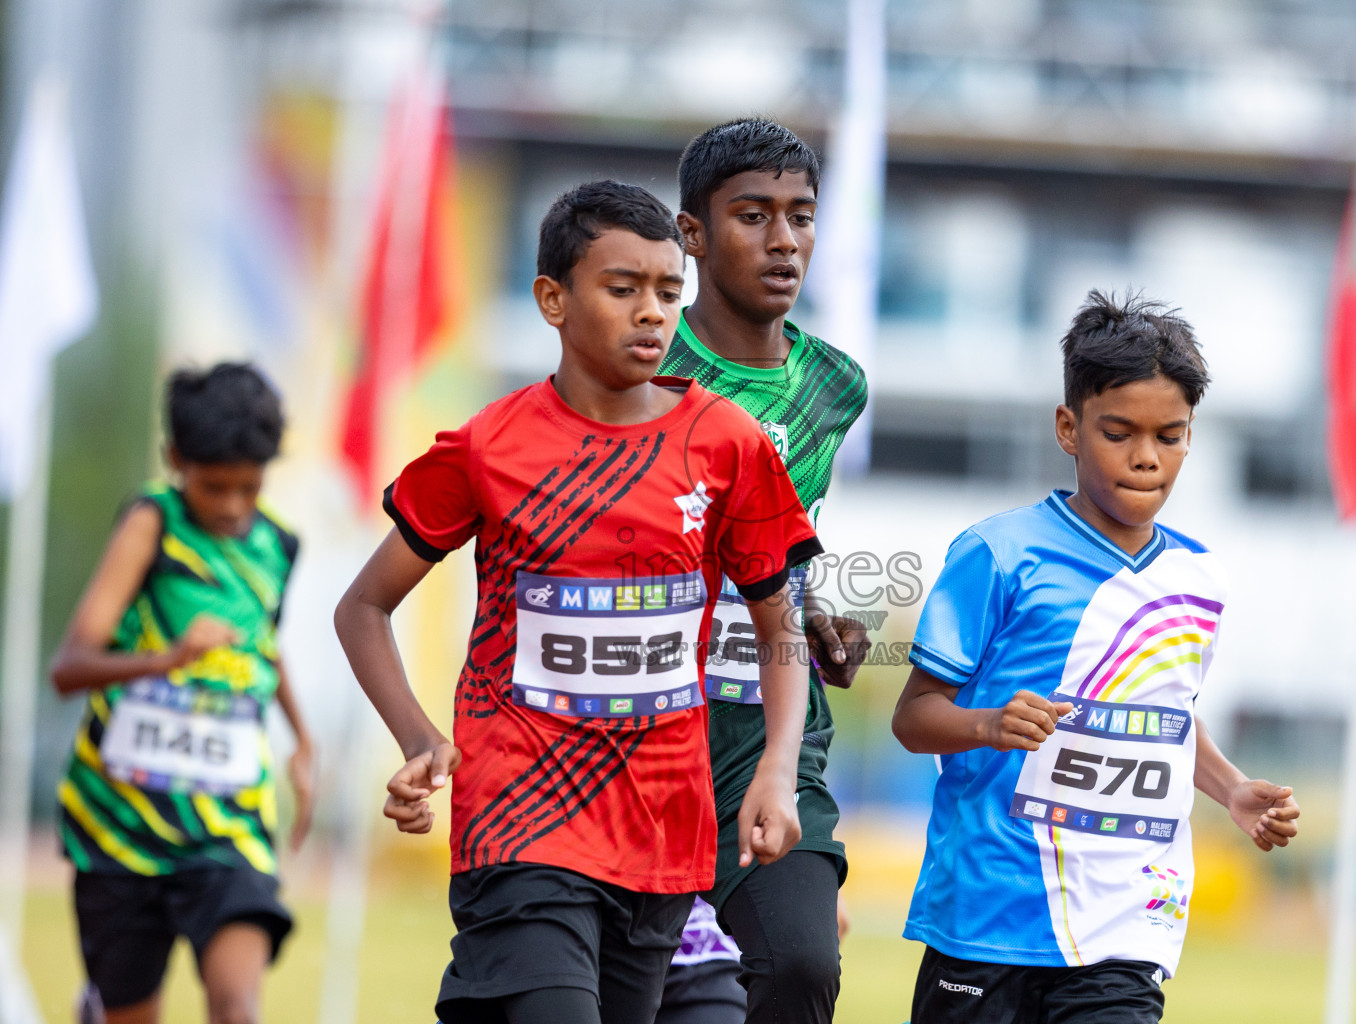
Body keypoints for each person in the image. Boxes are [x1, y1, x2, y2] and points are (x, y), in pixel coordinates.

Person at [332, 180, 821, 1024]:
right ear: (552, 300)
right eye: (622, 288)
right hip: (519, 818)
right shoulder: (488, 449)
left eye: (669, 292)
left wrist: (776, 771)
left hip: (665, 832)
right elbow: (362, 607)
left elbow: (782, 625)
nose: (651, 314)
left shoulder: (728, 445)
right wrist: (419, 738)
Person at [891, 291, 1301, 1024]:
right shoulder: (997, 554)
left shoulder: (1199, 580)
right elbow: (914, 718)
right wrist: (988, 725)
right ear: (1069, 429)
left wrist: (1232, 789)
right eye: (1119, 433)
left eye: (1170, 436)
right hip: (989, 917)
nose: (1147, 457)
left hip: (1125, 924)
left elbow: (1165, 719)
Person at [653, 117, 869, 1024]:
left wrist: (812, 612)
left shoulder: (835, 384)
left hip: (767, 725)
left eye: (801, 215)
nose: (784, 241)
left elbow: (787, 537)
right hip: (641, 727)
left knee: (799, 968)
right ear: (692, 234)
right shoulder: (650, 371)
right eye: (753, 215)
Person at [50, 363, 315, 1024]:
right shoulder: (153, 523)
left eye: (248, 488)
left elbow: (262, 649)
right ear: (175, 459)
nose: (230, 506)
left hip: (227, 820)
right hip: (124, 823)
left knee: (236, 1006)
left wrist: (304, 742)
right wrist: (169, 657)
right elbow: (70, 666)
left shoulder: (276, 546)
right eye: (213, 486)